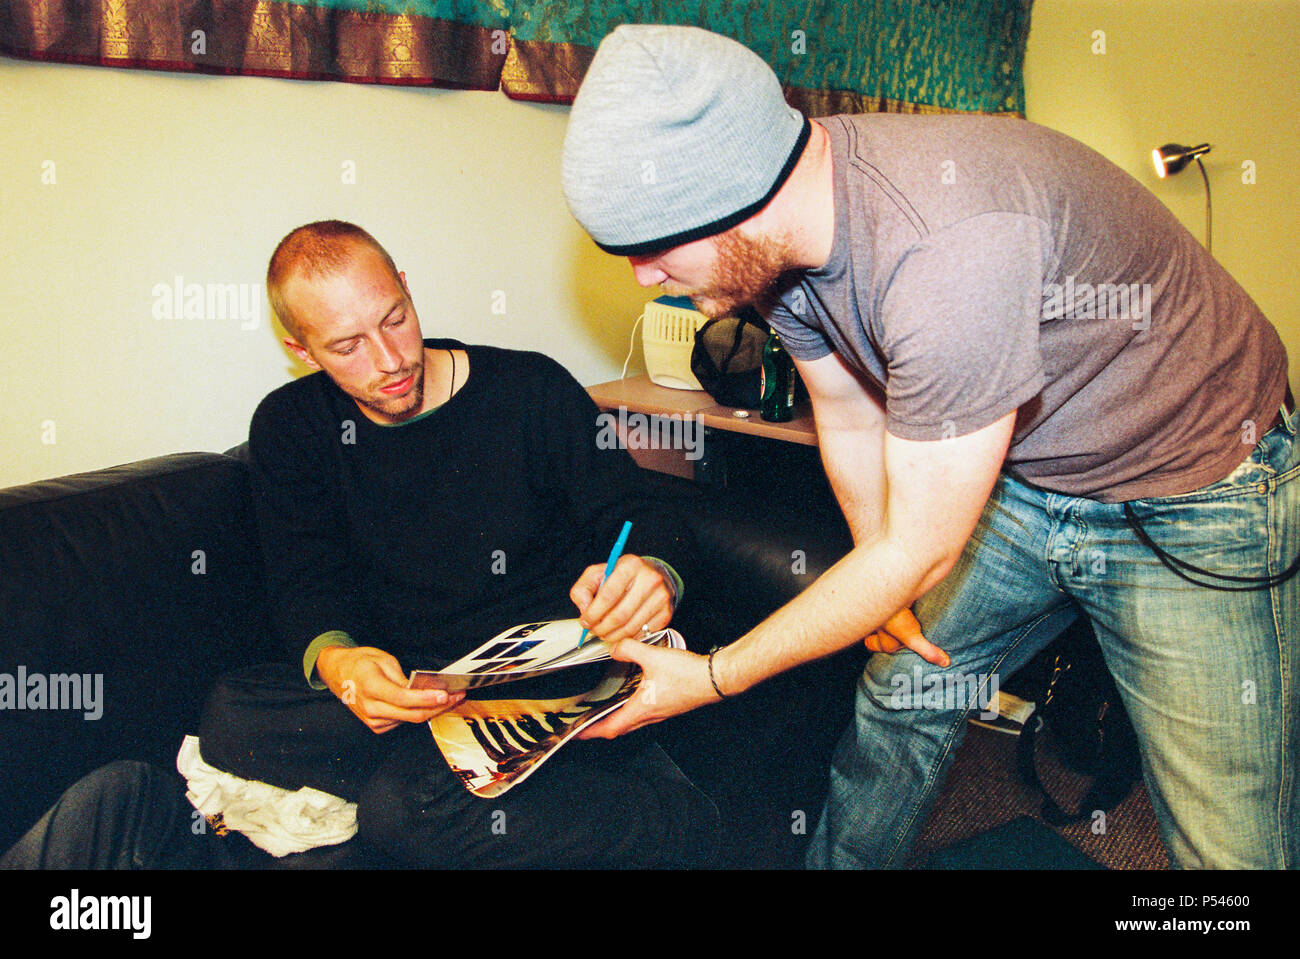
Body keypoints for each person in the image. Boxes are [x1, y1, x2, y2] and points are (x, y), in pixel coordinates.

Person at [559, 24, 1297, 869]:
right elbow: (843, 411)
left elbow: (920, 549)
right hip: (1030, 475)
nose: (643, 277)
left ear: (731, 197)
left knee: (1230, 836)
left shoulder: (945, 256)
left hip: (1197, 481)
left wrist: (716, 674)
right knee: (902, 695)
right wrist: (879, 569)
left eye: (650, 247)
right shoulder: (784, 245)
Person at [198, 219, 719, 869]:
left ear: (407, 289)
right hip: (420, 694)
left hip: (548, 681)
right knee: (229, 713)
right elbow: (304, 579)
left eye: (394, 318)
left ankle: (666, 819)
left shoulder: (531, 390)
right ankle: (496, 789)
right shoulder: (290, 426)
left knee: (403, 810)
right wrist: (343, 663)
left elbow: (644, 513)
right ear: (302, 350)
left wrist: (653, 569)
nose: (388, 361)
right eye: (347, 346)